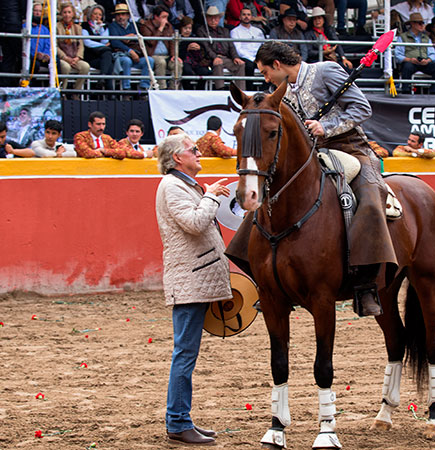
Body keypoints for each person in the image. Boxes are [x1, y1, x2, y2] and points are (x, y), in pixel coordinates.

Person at [237, 41, 399, 316]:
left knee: (371, 199)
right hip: (308, 155)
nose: (265, 79)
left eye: (265, 72)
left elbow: (363, 108)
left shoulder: (326, 71)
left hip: (350, 148)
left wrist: (327, 126)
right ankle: (264, 278)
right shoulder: (279, 92)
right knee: (266, 202)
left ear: (277, 65)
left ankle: (366, 282)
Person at [155, 133, 232, 446]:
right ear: (177, 158)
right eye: (193, 150)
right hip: (189, 281)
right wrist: (211, 195)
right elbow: (195, 223)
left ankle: (182, 420)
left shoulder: (180, 185)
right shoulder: (172, 186)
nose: (198, 153)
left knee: (186, 355)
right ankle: (177, 422)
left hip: (194, 280)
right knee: (184, 355)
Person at [108, 3, 155, 92]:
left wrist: (125, 38)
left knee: (149, 60)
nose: (121, 17)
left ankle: (144, 88)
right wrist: (129, 48)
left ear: (128, 15)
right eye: (118, 15)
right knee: (126, 61)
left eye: (123, 14)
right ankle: (127, 89)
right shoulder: (113, 26)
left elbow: (137, 39)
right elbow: (115, 42)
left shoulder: (134, 25)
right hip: (121, 55)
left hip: (136, 55)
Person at [197, 6, 246, 90]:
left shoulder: (225, 31)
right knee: (218, 63)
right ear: (206, 18)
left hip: (225, 58)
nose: (213, 20)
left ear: (219, 19)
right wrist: (215, 57)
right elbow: (206, 47)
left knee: (240, 65)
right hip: (209, 59)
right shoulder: (202, 30)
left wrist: (235, 57)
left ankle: (240, 91)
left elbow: (231, 46)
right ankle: (220, 89)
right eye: (210, 18)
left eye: (215, 18)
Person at [394, 13, 435, 94]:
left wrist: (428, 60)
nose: (422, 25)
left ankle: (434, 91)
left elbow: (433, 55)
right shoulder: (402, 37)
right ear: (412, 24)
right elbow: (398, 55)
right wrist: (410, 59)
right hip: (411, 62)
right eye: (420, 23)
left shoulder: (426, 38)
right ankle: (406, 91)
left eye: (422, 23)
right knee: (407, 66)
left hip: (424, 62)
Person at [140, 5, 181, 90]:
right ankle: (162, 88)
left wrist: (174, 55)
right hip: (153, 55)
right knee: (161, 62)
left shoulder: (168, 26)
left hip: (167, 55)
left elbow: (172, 42)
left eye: (167, 17)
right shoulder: (146, 26)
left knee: (177, 63)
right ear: (156, 17)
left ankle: (174, 88)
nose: (165, 20)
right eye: (163, 17)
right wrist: (160, 28)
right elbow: (151, 42)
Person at [57, 2, 90, 96]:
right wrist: (65, 57)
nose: (67, 15)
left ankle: (76, 92)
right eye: (64, 12)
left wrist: (78, 57)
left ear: (73, 14)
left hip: (74, 57)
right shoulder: (57, 26)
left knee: (85, 66)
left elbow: (81, 44)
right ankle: (63, 92)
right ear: (61, 14)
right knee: (66, 67)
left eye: (69, 12)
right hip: (63, 58)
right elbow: (55, 46)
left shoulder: (77, 28)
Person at [81, 4, 115, 93]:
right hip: (90, 55)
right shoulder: (84, 26)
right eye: (95, 14)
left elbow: (105, 41)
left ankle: (102, 80)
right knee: (108, 55)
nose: (97, 16)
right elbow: (87, 42)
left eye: (99, 14)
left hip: (101, 57)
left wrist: (101, 29)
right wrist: (102, 46)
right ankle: (110, 93)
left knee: (108, 62)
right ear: (90, 15)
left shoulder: (104, 26)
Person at [230, 8, 265, 90]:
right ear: (240, 17)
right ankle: (250, 90)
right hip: (245, 57)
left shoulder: (258, 31)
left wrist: (259, 57)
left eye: (248, 15)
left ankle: (265, 91)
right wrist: (252, 59)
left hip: (258, 57)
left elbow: (263, 46)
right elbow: (238, 49)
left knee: (269, 64)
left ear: (251, 17)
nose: (246, 17)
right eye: (244, 14)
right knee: (249, 65)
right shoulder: (235, 31)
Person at [178, 17, 212, 90]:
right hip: (184, 61)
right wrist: (187, 48)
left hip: (197, 62)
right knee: (187, 72)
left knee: (205, 71)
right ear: (181, 28)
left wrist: (199, 48)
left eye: (189, 28)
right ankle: (188, 90)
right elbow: (178, 53)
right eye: (185, 28)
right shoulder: (178, 39)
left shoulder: (195, 38)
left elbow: (204, 53)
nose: (187, 31)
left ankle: (200, 89)